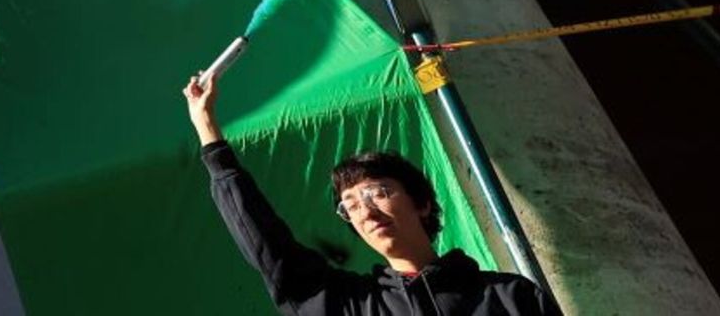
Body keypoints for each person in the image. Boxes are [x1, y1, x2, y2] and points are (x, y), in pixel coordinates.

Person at [183, 72, 563, 315]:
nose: (363, 211)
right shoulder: (348, 304)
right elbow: (268, 246)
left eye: (375, 193)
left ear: (422, 203)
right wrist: (208, 132)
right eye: (349, 206)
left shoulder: (512, 298)